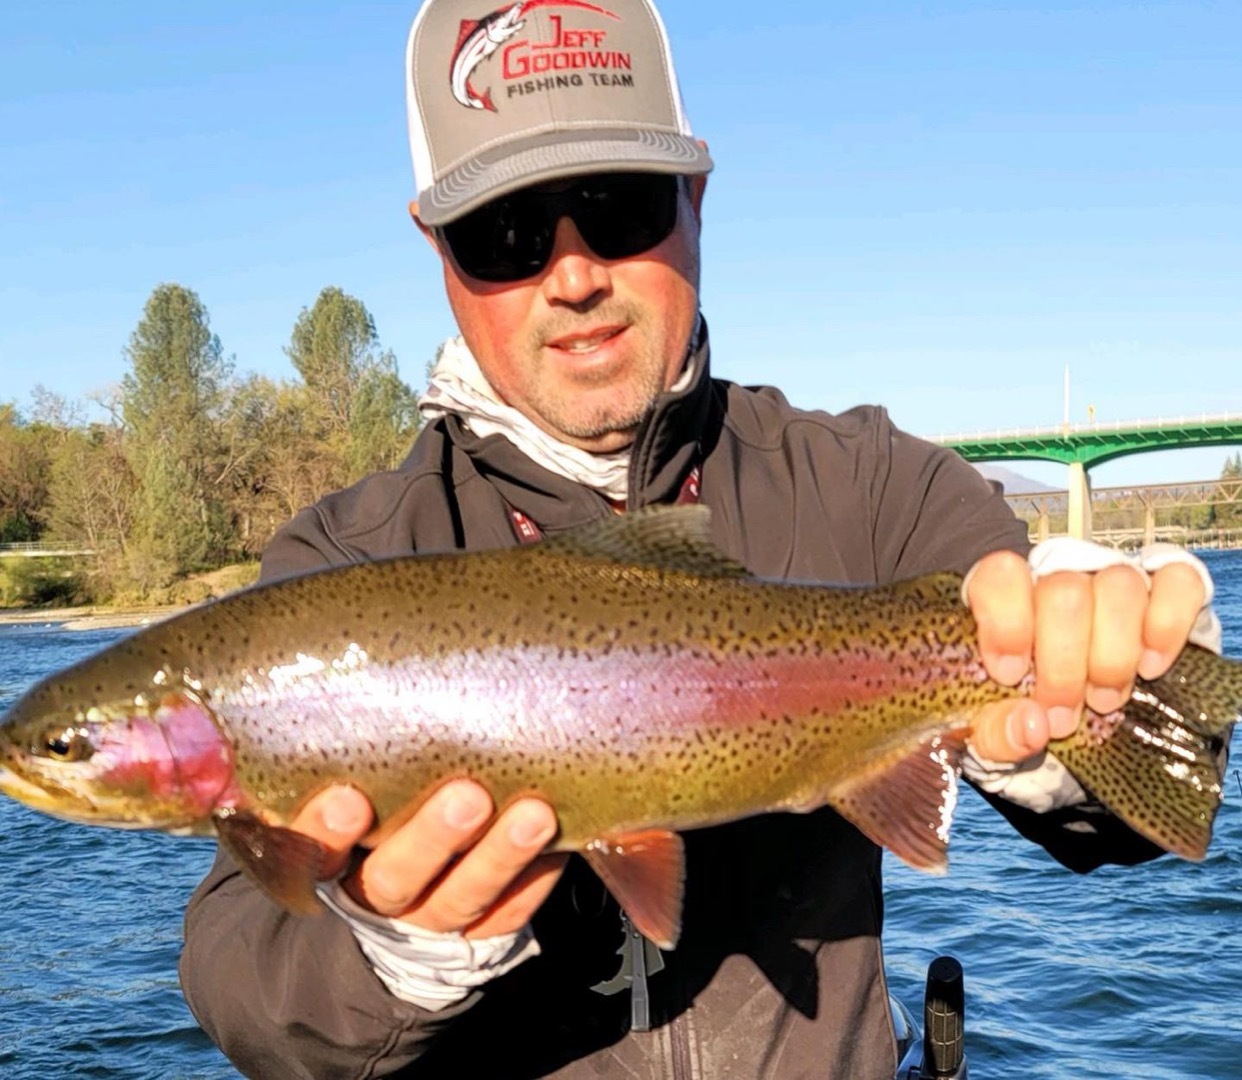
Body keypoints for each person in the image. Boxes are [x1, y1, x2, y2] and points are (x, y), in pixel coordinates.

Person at [179, 1, 1222, 1076]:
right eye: (507, 233)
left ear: (697, 197)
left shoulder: (873, 484)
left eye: (619, 207)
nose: (574, 273)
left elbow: (1154, 805)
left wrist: (1110, 658)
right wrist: (394, 952)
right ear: (438, 250)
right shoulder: (343, 569)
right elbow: (243, 987)